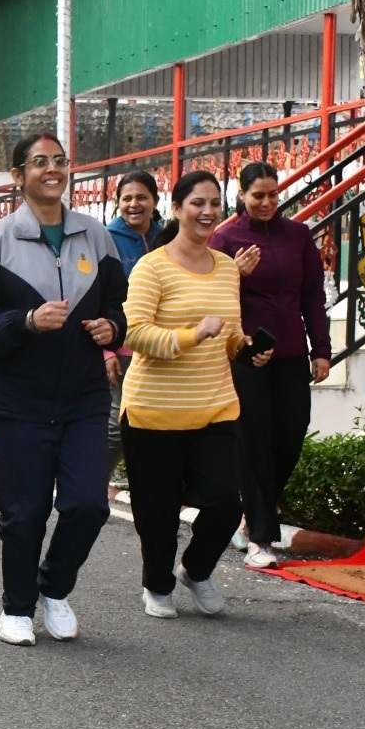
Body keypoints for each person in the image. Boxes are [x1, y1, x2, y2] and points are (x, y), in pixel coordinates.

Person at [0, 134, 128, 646]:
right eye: (39, 162)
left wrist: (112, 329)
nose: (52, 169)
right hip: (19, 401)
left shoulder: (95, 235)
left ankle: (53, 588)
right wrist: (27, 322)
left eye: (59, 161)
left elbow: (118, 305)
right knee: (24, 510)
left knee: (88, 505)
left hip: (83, 398)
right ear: (18, 176)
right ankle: (16, 608)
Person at [122, 170, 270, 620]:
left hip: (214, 407)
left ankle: (197, 569)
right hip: (154, 412)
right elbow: (134, 333)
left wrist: (246, 349)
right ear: (176, 209)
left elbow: (231, 335)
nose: (207, 212)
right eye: (197, 203)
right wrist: (191, 335)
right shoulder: (152, 267)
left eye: (214, 203)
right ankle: (158, 585)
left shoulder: (226, 268)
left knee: (226, 504)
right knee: (159, 513)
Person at [209, 161, 331, 569]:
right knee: (254, 441)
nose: (266, 202)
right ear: (241, 195)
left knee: (291, 435)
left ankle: (252, 516)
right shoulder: (226, 238)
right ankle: (261, 539)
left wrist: (321, 349)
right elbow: (212, 297)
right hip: (246, 352)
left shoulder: (298, 235)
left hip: (292, 351)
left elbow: (313, 295)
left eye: (272, 195)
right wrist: (235, 273)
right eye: (257, 195)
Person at [104, 170, 162, 490]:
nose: (134, 204)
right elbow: (95, 297)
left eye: (142, 197)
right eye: (126, 198)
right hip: (123, 347)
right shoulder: (106, 239)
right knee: (116, 426)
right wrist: (106, 351)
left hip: (163, 347)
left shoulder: (168, 237)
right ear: (118, 203)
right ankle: (89, 489)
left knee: (156, 425)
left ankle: (150, 492)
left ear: (155, 201)